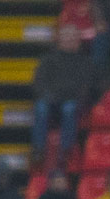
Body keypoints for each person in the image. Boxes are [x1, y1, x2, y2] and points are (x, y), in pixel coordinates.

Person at [31, 23, 97, 166]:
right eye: (66, 36)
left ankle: (66, 152)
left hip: (73, 101)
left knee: (69, 109)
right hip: (51, 100)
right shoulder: (47, 60)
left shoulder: (86, 62)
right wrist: (49, 96)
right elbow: (39, 83)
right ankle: (38, 150)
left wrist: (76, 98)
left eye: (73, 37)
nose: (69, 40)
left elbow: (87, 87)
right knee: (40, 108)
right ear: (59, 39)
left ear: (78, 41)